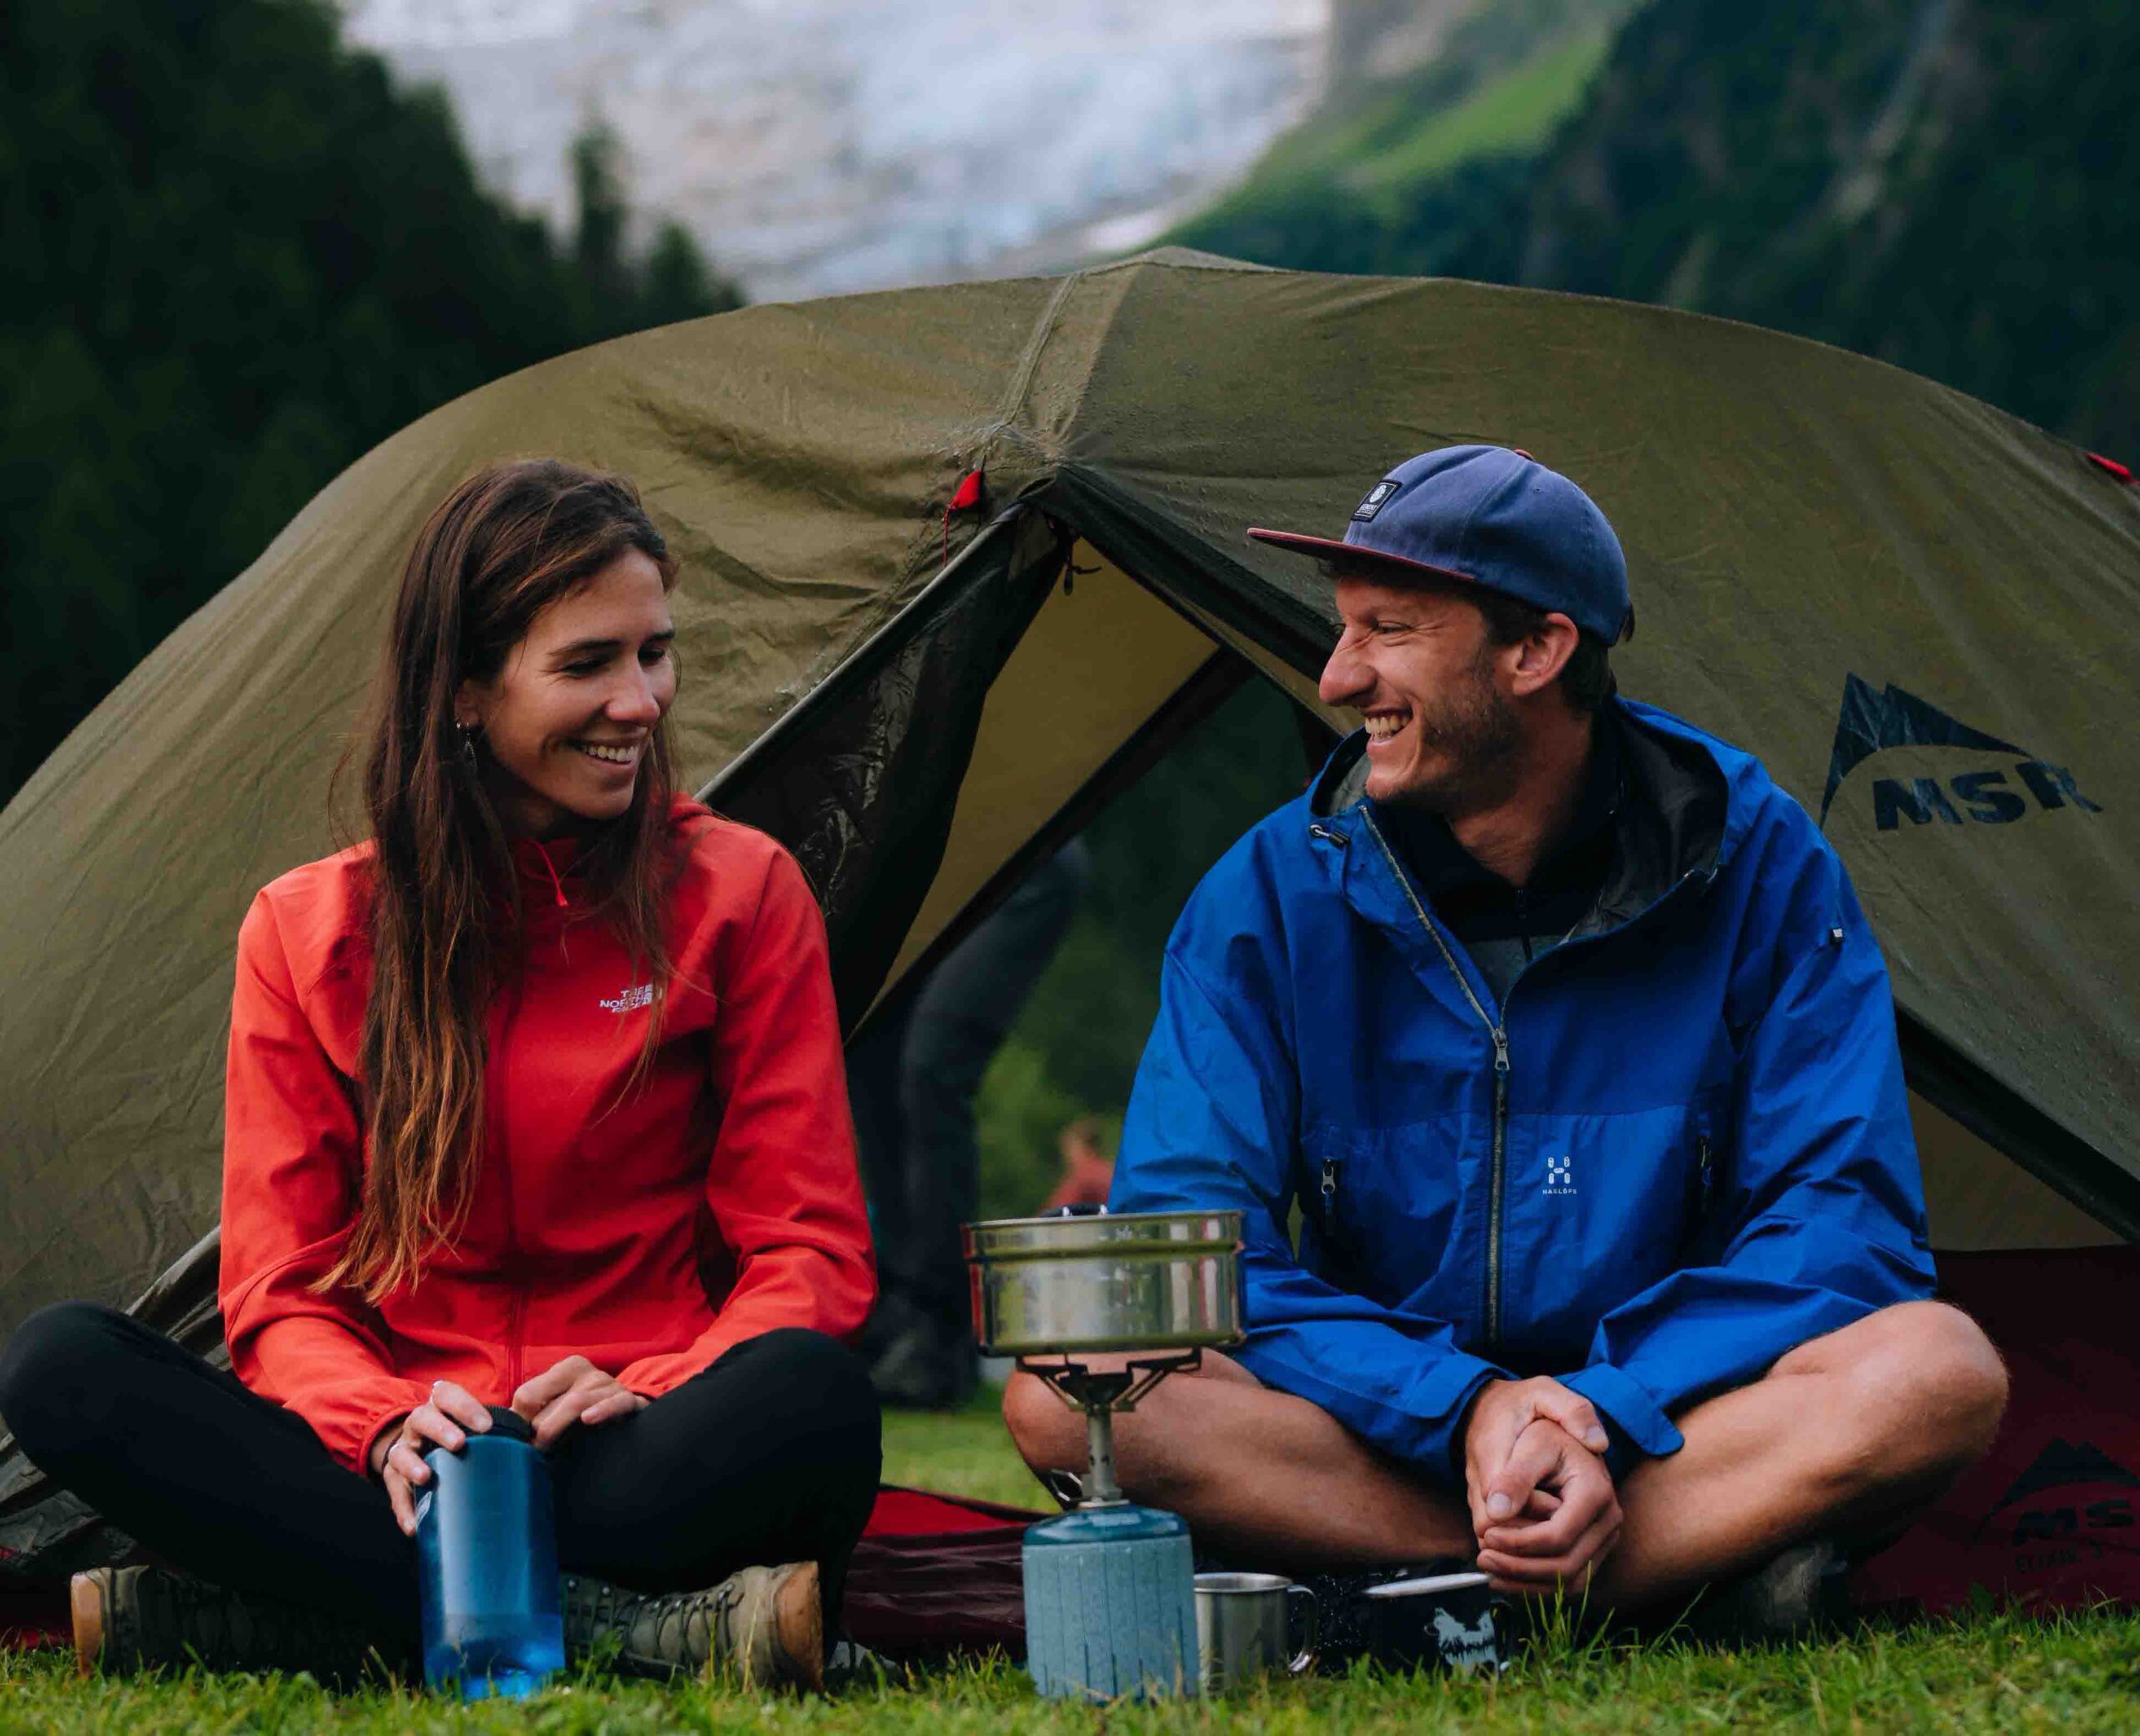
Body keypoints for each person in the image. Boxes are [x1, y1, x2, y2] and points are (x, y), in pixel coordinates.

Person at [1002, 445, 2009, 1633]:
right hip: (1374, 1433)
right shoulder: (1270, 896)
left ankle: (1439, 1594)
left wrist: (1595, 1407)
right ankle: (1635, 1577)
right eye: (1342, 630)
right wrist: (1466, 1405)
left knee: (1934, 1372)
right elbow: (1194, 1253)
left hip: (1667, 1423)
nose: (1336, 677)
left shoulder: (1760, 860)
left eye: (1388, 629)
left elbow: (1845, 1220)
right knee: (1072, 1397)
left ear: (1536, 650)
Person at [0, 461, 880, 1688]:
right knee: (61, 1368)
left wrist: (655, 1383)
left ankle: (335, 1614)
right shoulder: (309, 930)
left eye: (655, 653)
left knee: (814, 1397)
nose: (640, 702)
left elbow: (809, 1251)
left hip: (630, 1442)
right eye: (587, 665)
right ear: (466, 693)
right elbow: (284, 1287)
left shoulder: (739, 891)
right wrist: (379, 1425)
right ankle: (625, 1623)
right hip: (412, 1458)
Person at [850, 839, 1088, 1408]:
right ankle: (897, 1314)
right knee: (866, 1051)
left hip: (1021, 858)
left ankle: (940, 1334)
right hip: (930, 875)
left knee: (932, 1068)